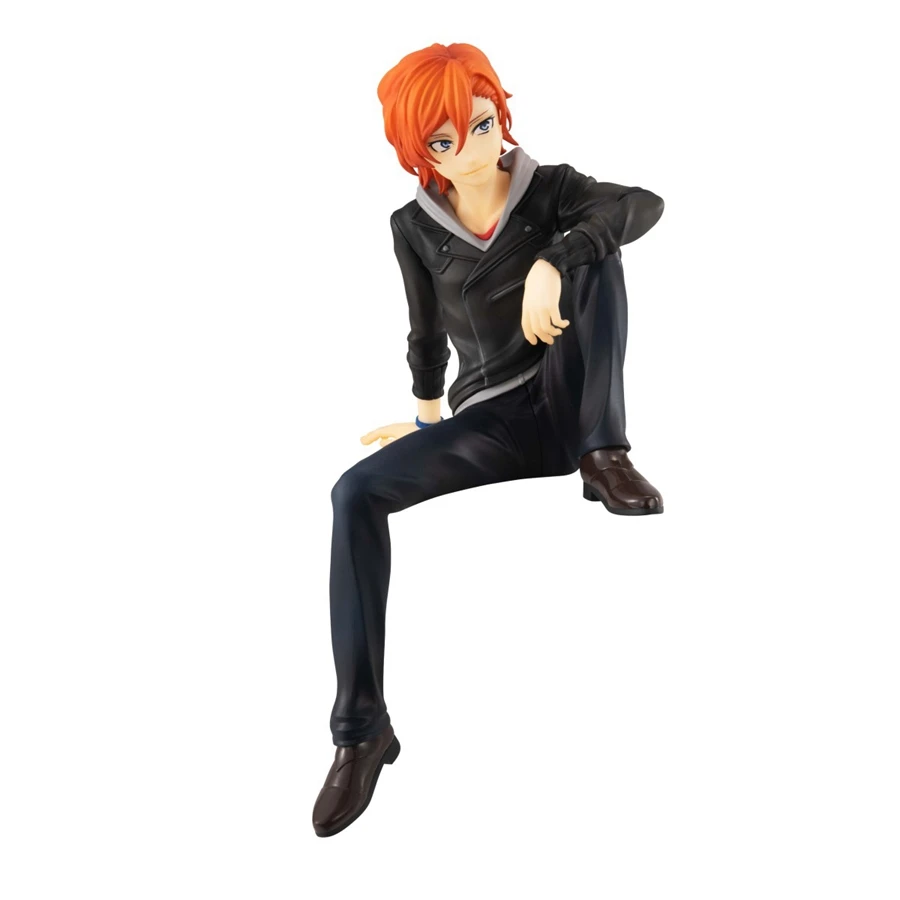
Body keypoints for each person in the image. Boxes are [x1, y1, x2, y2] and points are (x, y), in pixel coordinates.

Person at [312, 42, 665, 837]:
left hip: (573, 403)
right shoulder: (413, 226)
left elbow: (644, 205)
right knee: (353, 493)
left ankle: (606, 454)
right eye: (445, 140)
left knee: (599, 249)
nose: (472, 149)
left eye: (481, 124)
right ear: (420, 152)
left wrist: (554, 258)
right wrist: (426, 420)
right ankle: (361, 732)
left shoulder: (553, 188)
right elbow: (425, 333)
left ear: (500, 114)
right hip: (495, 423)